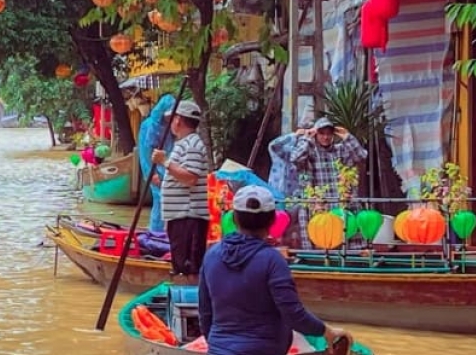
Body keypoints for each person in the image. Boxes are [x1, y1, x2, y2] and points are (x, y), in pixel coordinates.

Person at [199, 186, 353, 355]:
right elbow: (294, 315)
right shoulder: (272, 260)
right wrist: (328, 332)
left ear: (234, 218)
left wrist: (218, 346)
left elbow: (205, 314)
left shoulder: (211, 256)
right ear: (272, 220)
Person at [289, 117, 369, 250]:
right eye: (322, 133)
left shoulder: (340, 150)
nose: (325, 137)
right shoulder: (309, 151)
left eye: (329, 133)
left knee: (347, 239)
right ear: (316, 134)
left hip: (341, 202)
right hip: (317, 205)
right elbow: (295, 158)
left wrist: (347, 137)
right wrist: (307, 138)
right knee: (319, 240)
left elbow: (361, 156)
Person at [151, 100, 210, 278]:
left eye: (172, 119)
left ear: (178, 120)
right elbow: (181, 179)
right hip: (180, 217)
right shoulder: (184, 143)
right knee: (180, 264)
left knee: (187, 268)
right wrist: (163, 183)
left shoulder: (192, 144)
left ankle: (189, 298)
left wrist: (165, 162)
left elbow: (191, 178)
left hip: (188, 218)